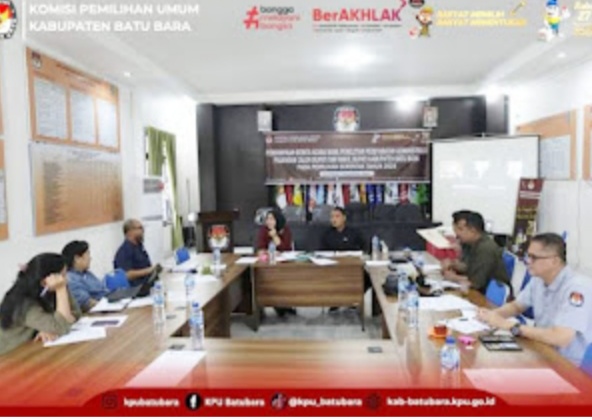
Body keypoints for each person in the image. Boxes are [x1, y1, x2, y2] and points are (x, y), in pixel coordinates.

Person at [478, 233, 592, 366]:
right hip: (542, 349)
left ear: (554, 261)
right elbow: (517, 306)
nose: (528, 261)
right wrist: (492, 315)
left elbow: (561, 338)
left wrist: (508, 325)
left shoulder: (577, 289)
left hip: (569, 364)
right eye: (528, 256)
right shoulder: (538, 279)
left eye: (534, 257)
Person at [0, 253, 81, 355]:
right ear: (44, 281)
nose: (66, 280)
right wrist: (61, 289)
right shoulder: (24, 304)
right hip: (10, 357)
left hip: (30, 350)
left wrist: (42, 328)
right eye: (63, 276)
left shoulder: (44, 291)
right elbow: (61, 327)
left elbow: (76, 313)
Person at [442, 211, 511, 294]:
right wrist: (453, 264)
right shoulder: (471, 243)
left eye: (460, 229)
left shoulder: (485, 248)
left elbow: (475, 283)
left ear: (473, 230)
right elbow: (469, 268)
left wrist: (453, 278)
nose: (457, 234)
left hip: (490, 295)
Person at [256, 209, 295, 317]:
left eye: (272, 219)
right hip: (268, 264)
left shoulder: (285, 230)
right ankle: (273, 304)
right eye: (267, 219)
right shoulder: (263, 230)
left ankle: (285, 305)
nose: (269, 222)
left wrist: (274, 236)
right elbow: (260, 248)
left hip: (284, 266)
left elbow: (286, 248)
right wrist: (268, 254)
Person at [62, 240, 109, 312]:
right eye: (87, 254)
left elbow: (103, 290)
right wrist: (109, 306)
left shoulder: (87, 273)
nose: (90, 258)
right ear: (77, 258)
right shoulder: (71, 279)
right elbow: (87, 303)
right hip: (96, 312)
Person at [113, 219, 158, 287]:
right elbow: (126, 275)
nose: (143, 231)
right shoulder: (124, 251)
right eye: (140, 228)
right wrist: (148, 271)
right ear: (130, 232)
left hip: (148, 284)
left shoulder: (139, 246)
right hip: (136, 288)